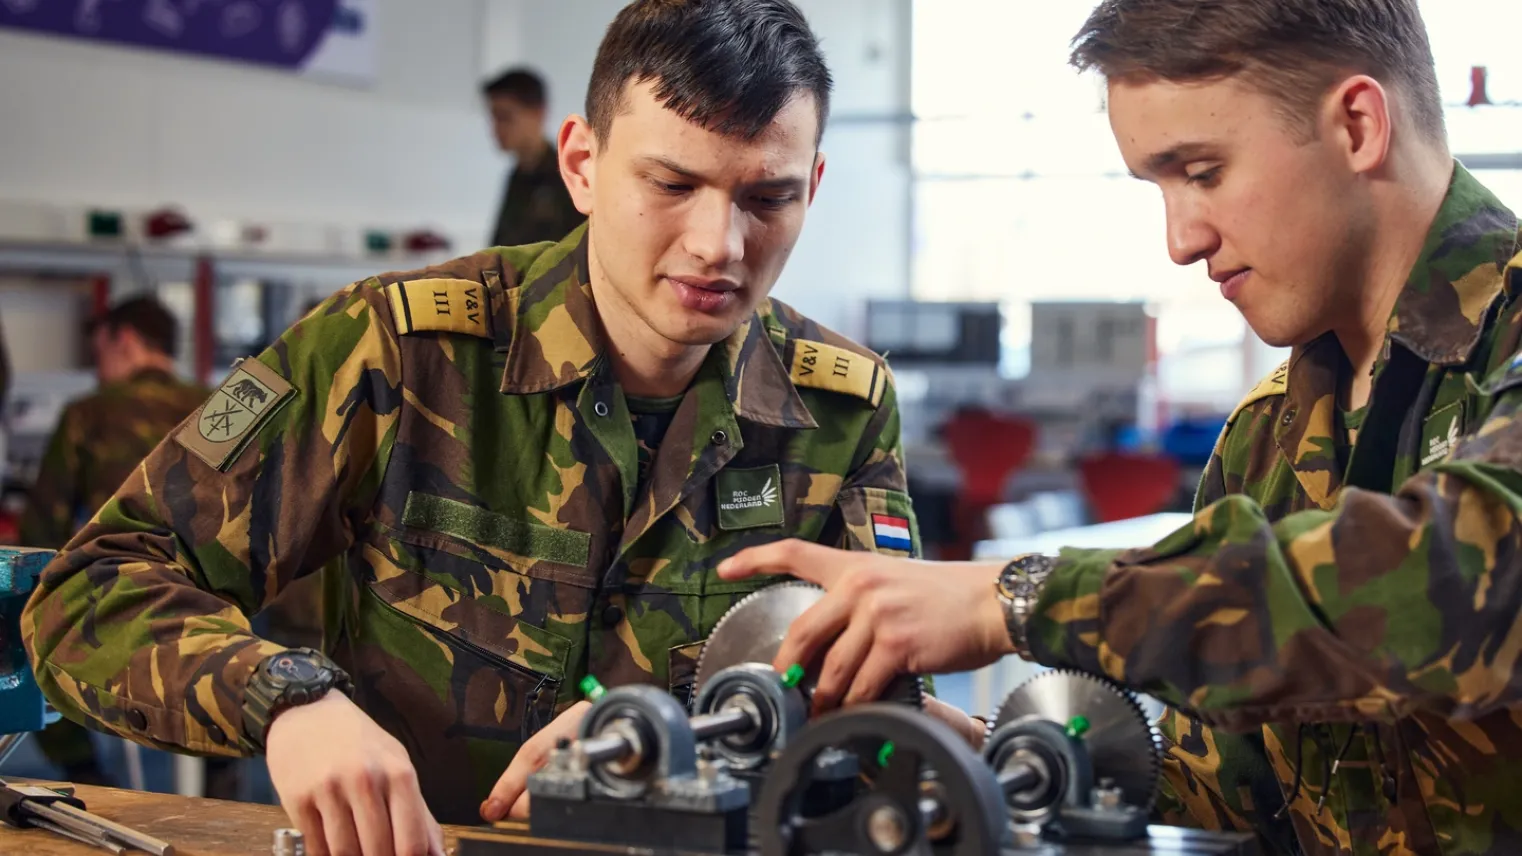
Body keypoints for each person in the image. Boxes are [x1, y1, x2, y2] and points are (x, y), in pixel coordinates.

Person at [22, 3, 929, 854]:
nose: (717, 244)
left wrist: (684, 743)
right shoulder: (398, 352)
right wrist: (287, 699)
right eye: (672, 182)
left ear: (811, 185)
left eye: (766, 199)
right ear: (580, 164)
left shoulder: (840, 409)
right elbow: (90, 591)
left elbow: (891, 720)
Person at [716, 0, 1522, 853]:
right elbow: (1241, 791)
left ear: (1358, 124)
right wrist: (993, 765)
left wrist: (1015, 596)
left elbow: (1468, 569)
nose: (1180, 240)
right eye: (1160, 186)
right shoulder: (1270, 435)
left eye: (1203, 171)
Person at [18, 296, 213, 788]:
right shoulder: (218, 406)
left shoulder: (89, 413)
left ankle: (87, 777)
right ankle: (222, 783)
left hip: (120, 606)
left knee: (25, 644)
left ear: (123, 340)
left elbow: (44, 527)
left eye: (99, 349)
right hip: (221, 615)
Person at [483, 67, 585, 248]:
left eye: (505, 117)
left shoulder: (567, 175)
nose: (496, 128)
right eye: (494, 118)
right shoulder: (517, 176)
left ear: (538, 113)